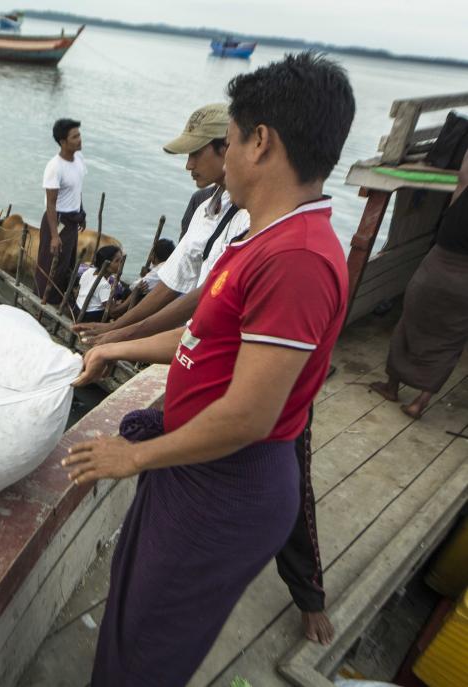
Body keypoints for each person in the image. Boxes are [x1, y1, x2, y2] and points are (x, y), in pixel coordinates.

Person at [63, 52, 355, 684]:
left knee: (147, 648)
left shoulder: (297, 260)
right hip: (190, 461)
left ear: (260, 142)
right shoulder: (258, 238)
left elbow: (251, 414)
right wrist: (114, 347)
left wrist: (134, 457)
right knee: (130, 611)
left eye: (228, 142)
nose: (220, 157)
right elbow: (200, 340)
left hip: (226, 482)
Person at [74, 103, 250, 346]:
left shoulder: (252, 217)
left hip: (212, 343)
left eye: (196, 153)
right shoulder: (205, 209)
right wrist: (116, 327)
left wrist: (122, 336)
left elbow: (208, 293)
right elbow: (172, 283)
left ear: (227, 147)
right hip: (190, 340)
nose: (189, 165)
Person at [370, 149, 468, 418]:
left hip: (435, 269)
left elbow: (462, 176)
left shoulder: (463, 193)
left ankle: (392, 386)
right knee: (451, 340)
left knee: (410, 326)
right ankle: (419, 403)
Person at [36, 118, 87, 305]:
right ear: (63, 142)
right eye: (75, 137)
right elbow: (51, 204)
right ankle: (43, 300)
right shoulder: (55, 167)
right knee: (51, 264)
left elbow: (77, 189)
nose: (80, 139)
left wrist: (82, 212)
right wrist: (54, 235)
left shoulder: (79, 160)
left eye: (79, 135)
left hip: (72, 219)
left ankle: (59, 299)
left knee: (67, 263)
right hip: (57, 220)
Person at [75, 245, 126, 321]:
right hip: (88, 317)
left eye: (121, 261)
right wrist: (129, 300)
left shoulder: (89, 271)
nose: (120, 264)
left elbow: (78, 292)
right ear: (106, 265)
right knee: (120, 309)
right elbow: (112, 312)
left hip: (76, 310)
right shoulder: (104, 285)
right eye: (117, 261)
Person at [124, 238, 176, 311]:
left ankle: (118, 311)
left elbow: (134, 286)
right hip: (161, 300)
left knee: (130, 290)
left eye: (152, 254)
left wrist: (144, 276)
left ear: (154, 255)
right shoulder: (169, 264)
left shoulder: (158, 271)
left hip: (149, 302)